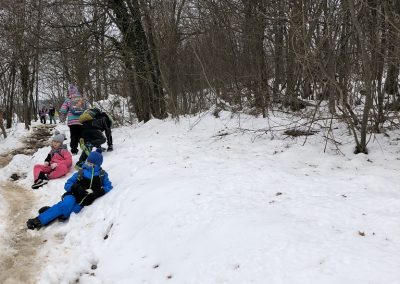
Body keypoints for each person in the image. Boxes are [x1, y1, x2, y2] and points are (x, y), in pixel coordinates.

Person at [26, 149, 112, 230]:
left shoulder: (102, 175)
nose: (88, 164)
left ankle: (52, 210)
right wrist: (76, 187)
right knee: (67, 203)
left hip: (84, 200)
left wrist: (95, 193)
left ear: (97, 164)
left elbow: (108, 186)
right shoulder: (81, 172)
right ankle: (38, 220)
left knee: (72, 211)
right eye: (88, 161)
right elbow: (67, 184)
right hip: (73, 194)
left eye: (91, 163)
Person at [59, 84, 87, 155]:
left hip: (72, 122)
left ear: (69, 92)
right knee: (82, 134)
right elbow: (87, 108)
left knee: (74, 135)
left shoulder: (68, 100)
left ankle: (74, 150)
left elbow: (63, 110)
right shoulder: (81, 99)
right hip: (81, 120)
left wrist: (62, 117)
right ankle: (83, 145)